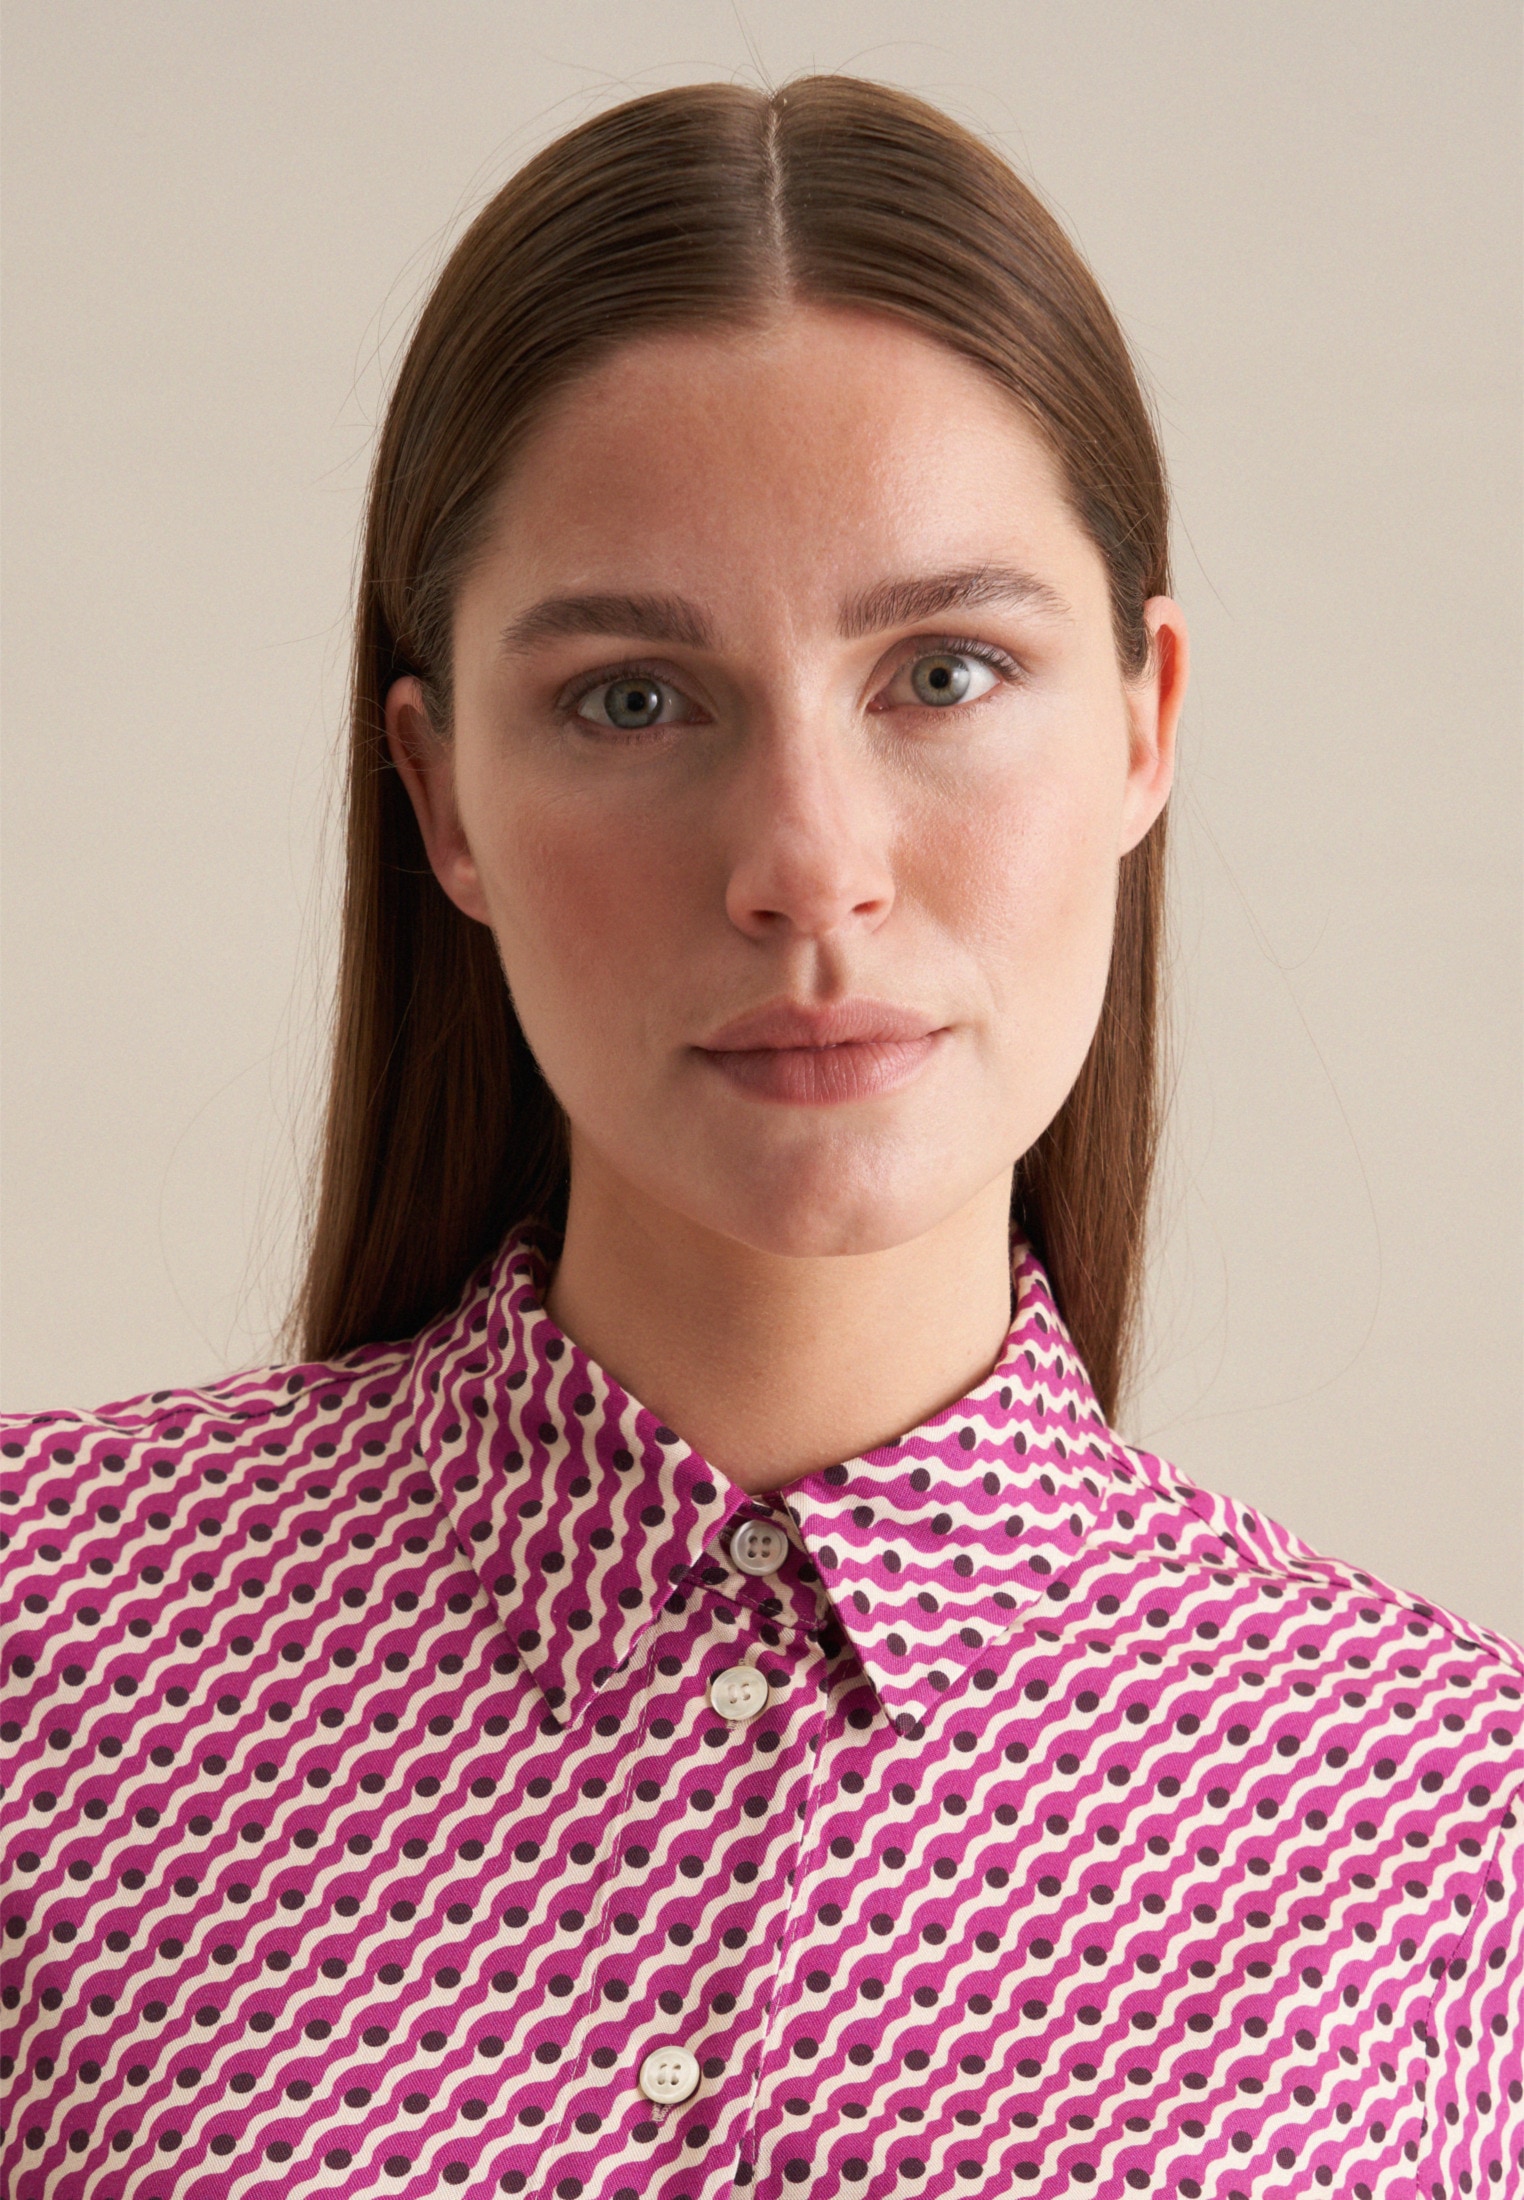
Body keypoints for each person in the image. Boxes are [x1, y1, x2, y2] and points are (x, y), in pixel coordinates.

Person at [2, 73, 1519, 2200]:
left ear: (1145, 722)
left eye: (946, 673)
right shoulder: (40, 1656)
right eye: (635, 696)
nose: (809, 865)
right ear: (442, 798)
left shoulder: (1447, 1821)